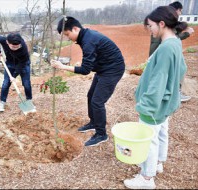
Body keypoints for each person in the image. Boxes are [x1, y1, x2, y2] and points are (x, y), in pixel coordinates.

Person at [123, 6, 187, 189]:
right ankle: (158, 163)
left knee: (149, 139)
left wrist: (146, 105)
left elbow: (158, 80)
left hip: (155, 105)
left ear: (161, 23)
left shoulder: (166, 48)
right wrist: (173, 89)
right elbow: (182, 70)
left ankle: (146, 178)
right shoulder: (175, 42)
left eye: (150, 26)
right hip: (166, 103)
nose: (150, 30)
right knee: (161, 133)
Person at [51, 16, 125, 147]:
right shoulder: (86, 36)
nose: (68, 38)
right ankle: (93, 122)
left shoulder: (88, 40)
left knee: (97, 101)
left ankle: (101, 134)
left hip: (112, 69)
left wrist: (62, 66)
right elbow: (91, 60)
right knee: (90, 96)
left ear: (75, 28)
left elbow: (85, 70)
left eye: (68, 34)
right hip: (103, 68)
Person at [149, 1, 194, 102]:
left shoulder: (165, 19)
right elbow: (171, 38)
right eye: (180, 11)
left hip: (159, 52)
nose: (180, 13)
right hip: (161, 52)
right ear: (175, 10)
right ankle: (175, 94)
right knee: (178, 69)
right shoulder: (165, 21)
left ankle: (172, 94)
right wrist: (186, 33)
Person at [0, 33, 35, 112]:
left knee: (26, 84)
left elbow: (22, 63)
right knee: (6, 84)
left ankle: (29, 101)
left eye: (17, 46)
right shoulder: (3, 40)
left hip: (23, 64)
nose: (15, 48)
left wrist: (14, 76)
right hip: (10, 64)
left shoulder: (23, 49)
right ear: (7, 42)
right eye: (13, 47)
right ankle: (2, 103)